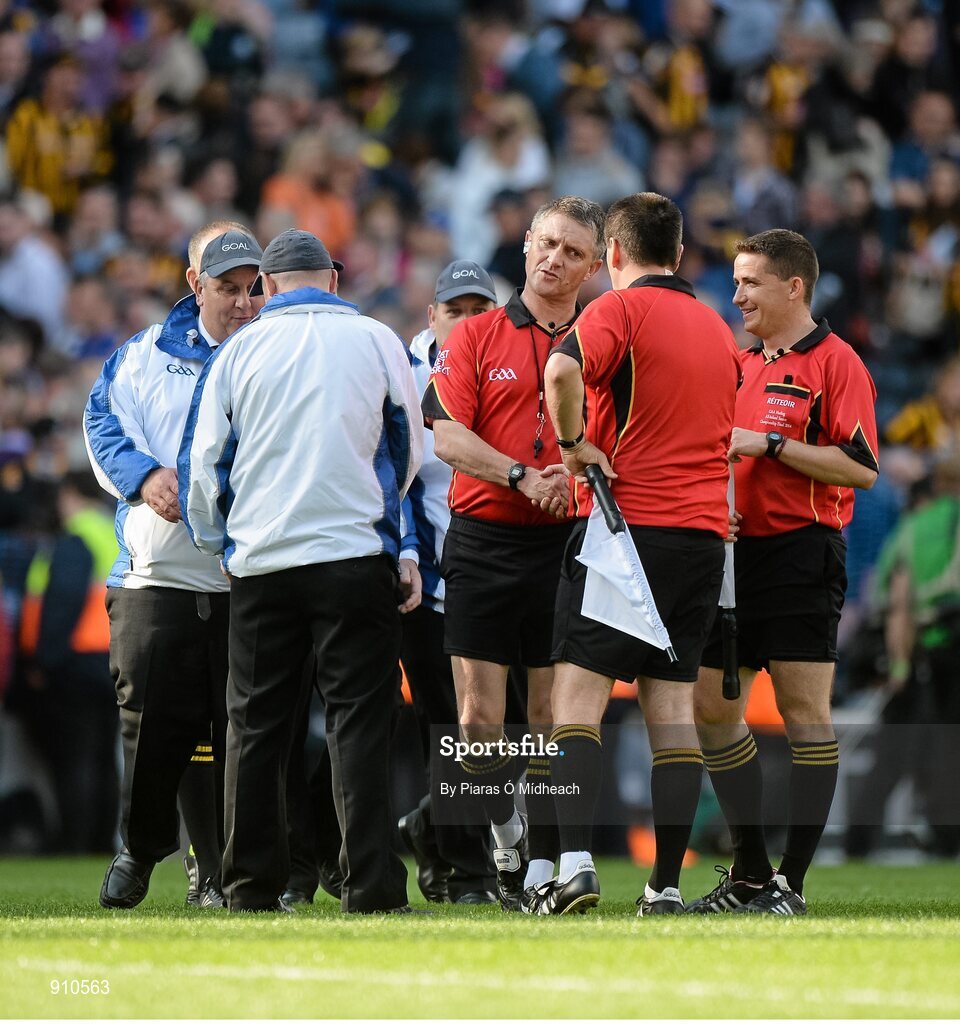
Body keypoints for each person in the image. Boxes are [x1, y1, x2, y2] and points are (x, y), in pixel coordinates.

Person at [179, 228, 423, 914]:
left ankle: (250, 885)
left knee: (255, 727)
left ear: (266, 287)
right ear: (334, 279)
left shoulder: (240, 349)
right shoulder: (376, 339)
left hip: (264, 561)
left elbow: (205, 461)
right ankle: (369, 886)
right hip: (352, 555)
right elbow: (407, 445)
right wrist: (388, 532)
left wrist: (217, 542)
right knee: (359, 724)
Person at [535, 191, 741, 916]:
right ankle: (665, 887)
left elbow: (561, 374)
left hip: (627, 530)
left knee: (576, 703)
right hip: (700, 540)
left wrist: (569, 446)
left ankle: (575, 866)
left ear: (612, 253)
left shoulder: (616, 310)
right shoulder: (719, 330)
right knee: (672, 710)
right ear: (679, 254)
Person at [421, 196, 605, 911]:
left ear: (593, 266)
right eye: (548, 243)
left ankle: (551, 865)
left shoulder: (604, 338)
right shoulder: (474, 335)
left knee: (554, 719)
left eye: (573, 251)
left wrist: (578, 476)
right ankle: (507, 834)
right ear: (526, 244)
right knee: (477, 722)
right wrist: (526, 477)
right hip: (485, 539)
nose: (555, 259)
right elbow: (447, 438)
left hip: (568, 539)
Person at [688, 228, 879, 916]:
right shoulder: (737, 364)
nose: (735, 295)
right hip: (731, 556)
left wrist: (772, 444)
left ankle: (790, 886)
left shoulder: (836, 362)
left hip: (802, 552)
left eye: (749, 282)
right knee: (711, 708)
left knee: (805, 717)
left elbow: (860, 467)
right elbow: (714, 454)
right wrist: (715, 505)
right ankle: (750, 872)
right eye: (736, 282)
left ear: (792, 287)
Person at [83, 220, 263, 909]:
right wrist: (141, 477)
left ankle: (220, 871)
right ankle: (141, 849)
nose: (244, 303)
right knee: (154, 720)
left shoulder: (271, 351)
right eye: (228, 289)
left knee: (236, 731)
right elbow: (101, 421)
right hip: (155, 572)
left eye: (253, 289)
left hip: (244, 570)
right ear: (195, 284)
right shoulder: (145, 353)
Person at [399, 260, 501, 905]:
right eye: (454, 310)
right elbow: (395, 479)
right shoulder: (405, 379)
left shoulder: (511, 371)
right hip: (429, 582)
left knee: (511, 726)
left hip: (500, 572)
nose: (466, 321)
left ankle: (431, 827)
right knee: (450, 727)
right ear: (431, 316)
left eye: (477, 310)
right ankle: (467, 870)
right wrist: (408, 554)